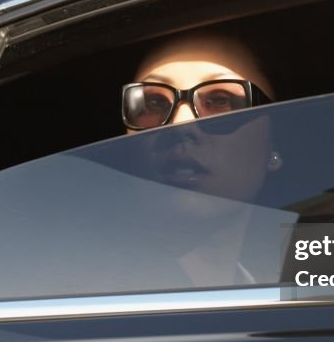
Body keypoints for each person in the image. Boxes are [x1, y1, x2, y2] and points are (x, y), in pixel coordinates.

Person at [118, 31, 289, 287]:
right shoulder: (70, 287)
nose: (181, 123)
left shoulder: (310, 290)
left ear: (273, 146)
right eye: (153, 103)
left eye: (220, 101)